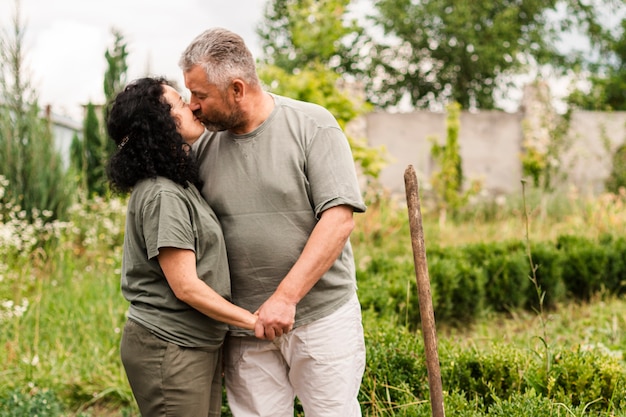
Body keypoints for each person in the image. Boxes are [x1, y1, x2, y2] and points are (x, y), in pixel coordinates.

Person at [179, 28, 368, 416]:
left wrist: (285, 298)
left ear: (236, 89)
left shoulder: (312, 125)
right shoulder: (201, 147)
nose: (192, 106)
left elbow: (338, 220)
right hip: (243, 328)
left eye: (200, 96)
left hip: (321, 318)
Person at [106, 76, 258, 417]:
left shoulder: (180, 185)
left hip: (192, 344)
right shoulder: (163, 194)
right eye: (178, 102)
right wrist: (252, 322)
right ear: (159, 124)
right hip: (169, 347)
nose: (192, 106)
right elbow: (186, 287)